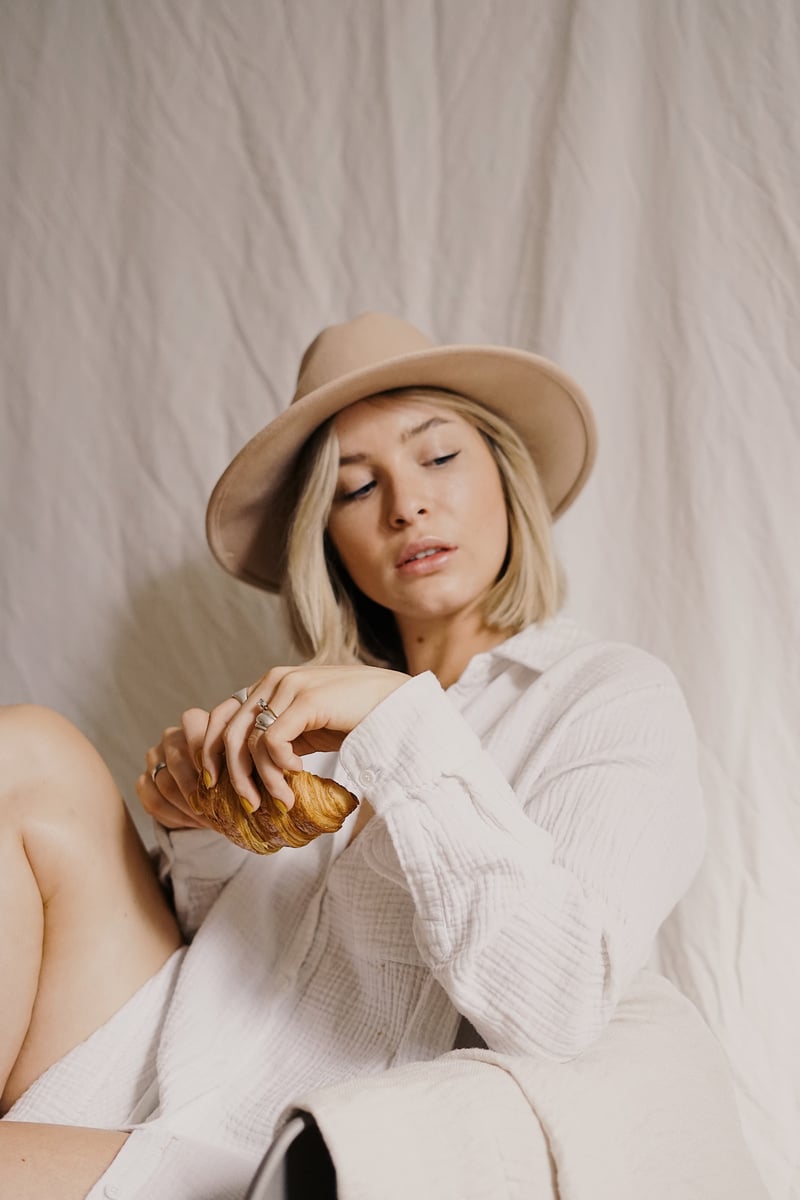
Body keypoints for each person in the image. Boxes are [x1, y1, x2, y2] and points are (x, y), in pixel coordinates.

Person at [1, 313, 708, 1198]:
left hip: (279, 1147)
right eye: (354, 487)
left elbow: (557, 1005)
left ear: (503, 474)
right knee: (27, 747)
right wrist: (202, 831)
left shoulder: (609, 697)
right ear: (326, 538)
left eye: (438, 457)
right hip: (150, 1061)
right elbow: (228, 953)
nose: (406, 504)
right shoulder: (303, 706)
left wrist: (400, 723)